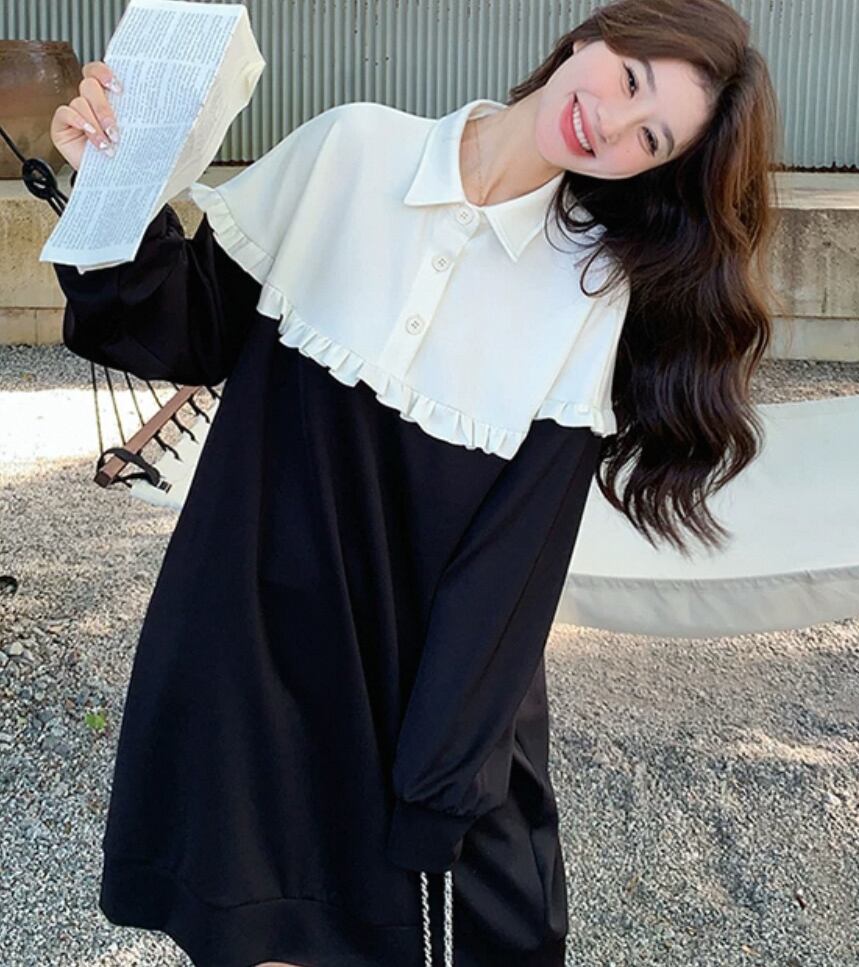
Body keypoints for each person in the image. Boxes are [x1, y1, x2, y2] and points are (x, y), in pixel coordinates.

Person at [49, 0, 779, 963]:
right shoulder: (353, 150)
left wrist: (437, 793)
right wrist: (110, 173)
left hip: (408, 705)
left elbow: (506, 579)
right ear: (591, 38)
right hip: (243, 657)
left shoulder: (591, 295)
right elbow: (174, 329)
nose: (609, 123)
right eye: (630, 79)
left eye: (650, 138)